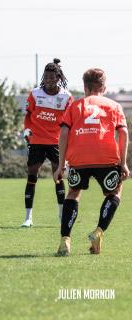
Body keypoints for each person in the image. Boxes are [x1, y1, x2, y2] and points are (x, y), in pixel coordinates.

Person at [53, 68, 129, 256]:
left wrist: (61, 164)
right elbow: (124, 132)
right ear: (103, 87)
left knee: (73, 192)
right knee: (115, 190)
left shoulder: (74, 106)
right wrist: (123, 162)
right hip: (106, 157)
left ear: (85, 87)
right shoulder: (114, 105)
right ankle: (98, 232)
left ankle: (65, 241)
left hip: (79, 158)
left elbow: (63, 133)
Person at [21, 58, 74, 227]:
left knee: (58, 177)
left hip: (56, 142)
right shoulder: (35, 93)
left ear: (59, 78)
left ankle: (61, 215)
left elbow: (70, 122)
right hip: (36, 140)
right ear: (43, 77)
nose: (49, 80)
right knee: (32, 177)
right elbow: (28, 115)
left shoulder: (66, 97)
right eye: (46, 77)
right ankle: (28, 218)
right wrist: (27, 129)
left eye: (53, 77)